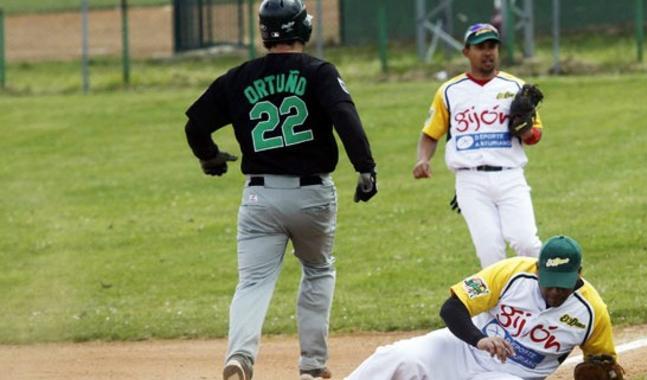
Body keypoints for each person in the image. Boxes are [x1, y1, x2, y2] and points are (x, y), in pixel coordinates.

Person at [183, 1, 377, 379]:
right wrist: (365, 169)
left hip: (260, 197)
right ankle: (312, 368)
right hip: (312, 196)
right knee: (318, 271)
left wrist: (210, 157)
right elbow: (345, 116)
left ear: (264, 32)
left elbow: (195, 124)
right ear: (303, 28)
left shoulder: (239, 77)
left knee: (253, 282)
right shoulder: (318, 72)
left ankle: (239, 357)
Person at [346, 235, 621, 380]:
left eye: (562, 285)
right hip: (462, 349)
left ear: (579, 274)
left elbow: (602, 363)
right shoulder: (511, 272)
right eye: (548, 283)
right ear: (537, 270)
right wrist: (479, 340)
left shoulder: (591, 311)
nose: (553, 291)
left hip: (512, 375)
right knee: (398, 357)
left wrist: (602, 369)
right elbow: (451, 308)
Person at [412, 23, 543, 268]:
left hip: (510, 176)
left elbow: (535, 135)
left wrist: (525, 129)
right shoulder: (449, 91)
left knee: (526, 242)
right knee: (489, 251)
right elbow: (431, 133)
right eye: (480, 47)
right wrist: (423, 159)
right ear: (466, 52)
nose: (487, 52)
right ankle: (497, 305)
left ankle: (545, 296)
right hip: (470, 181)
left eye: (492, 46)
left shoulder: (515, 87)